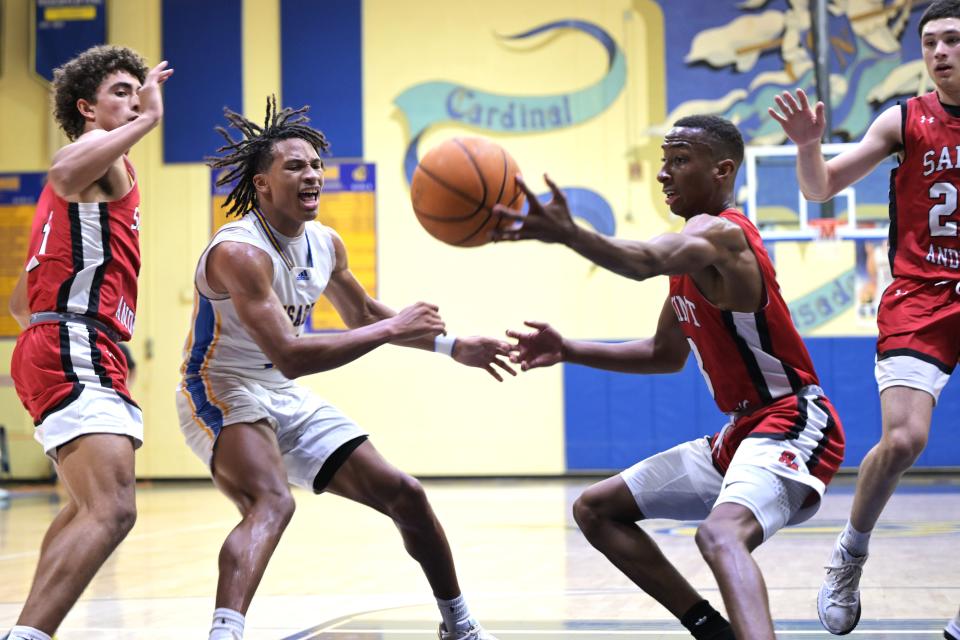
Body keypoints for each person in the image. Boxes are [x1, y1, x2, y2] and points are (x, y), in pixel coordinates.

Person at [491, 115, 846, 640]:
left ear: (722, 170)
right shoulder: (691, 256)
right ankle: (711, 629)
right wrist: (566, 349)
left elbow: (642, 261)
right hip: (742, 432)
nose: (664, 174)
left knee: (721, 535)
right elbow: (663, 353)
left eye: (679, 161)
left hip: (794, 419)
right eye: (664, 161)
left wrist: (571, 234)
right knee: (596, 510)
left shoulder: (724, 235)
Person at [176, 96, 512, 640]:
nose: (312, 175)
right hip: (220, 387)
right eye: (295, 166)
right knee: (272, 500)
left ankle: (459, 624)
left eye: (316, 166)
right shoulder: (239, 252)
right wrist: (390, 329)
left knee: (406, 494)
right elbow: (293, 353)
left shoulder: (325, 244)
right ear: (261, 184)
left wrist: (453, 347)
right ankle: (225, 633)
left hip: (280, 391)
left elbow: (365, 314)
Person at [768, 1, 960, 635]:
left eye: (953, 41)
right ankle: (850, 552)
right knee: (904, 440)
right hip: (921, 294)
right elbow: (819, 189)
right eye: (930, 42)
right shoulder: (905, 119)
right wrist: (807, 147)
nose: (939, 53)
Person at [5, 46, 172, 640]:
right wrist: (149, 120)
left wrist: (53, 336)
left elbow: (20, 303)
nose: (134, 100)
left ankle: (26, 627)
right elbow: (63, 170)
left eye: (137, 91)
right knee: (113, 509)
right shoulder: (93, 163)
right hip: (75, 340)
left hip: (60, 340)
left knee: (84, 507)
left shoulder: (80, 194)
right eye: (121, 92)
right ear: (87, 108)